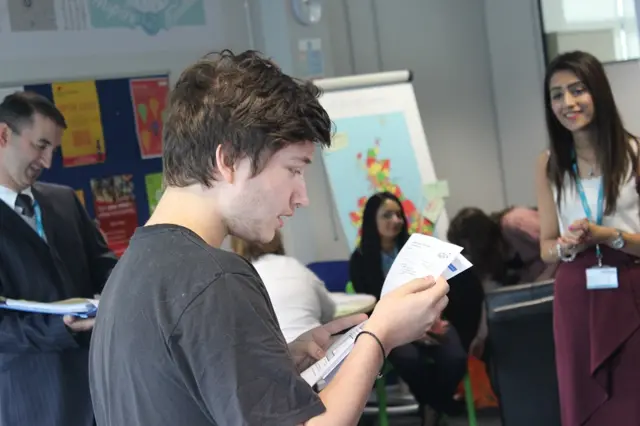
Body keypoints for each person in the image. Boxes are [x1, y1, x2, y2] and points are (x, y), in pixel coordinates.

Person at [88, 50, 450, 426]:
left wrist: (273, 365)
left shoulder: (129, 272)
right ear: (228, 161)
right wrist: (380, 335)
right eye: (293, 169)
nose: (302, 196)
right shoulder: (215, 279)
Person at [536, 50, 640, 426]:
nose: (568, 103)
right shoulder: (549, 163)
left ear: (598, 92)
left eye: (578, 90)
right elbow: (546, 248)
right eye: (557, 94)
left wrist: (608, 236)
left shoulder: (634, 152)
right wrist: (566, 245)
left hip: (629, 286)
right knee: (582, 403)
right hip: (575, 294)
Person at [0, 91, 117, 426]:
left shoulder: (64, 201)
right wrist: (64, 328)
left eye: (54, 150)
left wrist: (114, 297)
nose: (48, 161)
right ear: (3, 135)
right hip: (34, 402)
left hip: (102, 394)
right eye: (40, 146)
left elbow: (105, 267)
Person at [349, 191, 467, 426]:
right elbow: (371, 305)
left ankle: (431, 405)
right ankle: (440, 405)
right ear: (372, 220)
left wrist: (429, 323)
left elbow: (438, 286)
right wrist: (412, 329)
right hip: (392, 326)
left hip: (431, 319)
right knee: (410, 360)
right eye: (387, 215)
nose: (395, 220)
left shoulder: (417, 249)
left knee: (456, 358)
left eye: (398, 215)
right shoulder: (360, 258)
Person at [446, 206, 557, 358]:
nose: (468, 255)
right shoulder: (488, 261)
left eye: (468, 248)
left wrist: (540, 282)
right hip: (542, 297)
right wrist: (481, 337)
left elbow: (562, 246)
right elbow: (491, 298)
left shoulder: (515, 223)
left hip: (561, 281)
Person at [231, 231, 336, 342]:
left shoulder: (242, 278)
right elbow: (328, 310)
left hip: (274, 352)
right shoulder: (294, 265)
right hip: (317, 344)